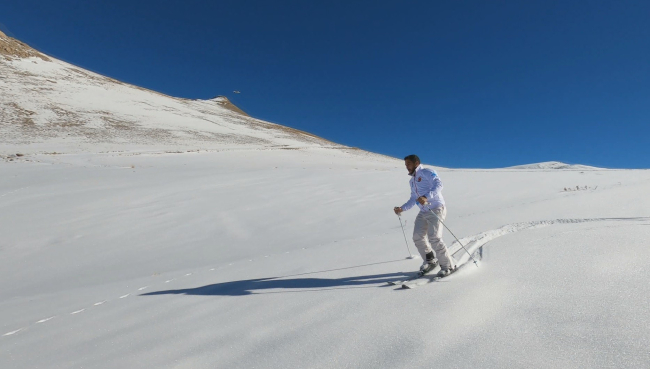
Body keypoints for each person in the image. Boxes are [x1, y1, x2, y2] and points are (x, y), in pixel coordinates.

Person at [394, 155, 457, 276]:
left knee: (434, 237)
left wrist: (426, 197)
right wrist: (402, 208)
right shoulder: (412, 181)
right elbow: (413, 198)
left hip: (436, 208)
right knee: (417, 236)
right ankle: (430, 260)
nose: (407, 167)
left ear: (416, 163)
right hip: (423, 211)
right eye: (406, 165)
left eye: (409, 164)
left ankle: (448, 266)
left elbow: (439, 185)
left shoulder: (427, 172)